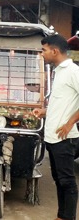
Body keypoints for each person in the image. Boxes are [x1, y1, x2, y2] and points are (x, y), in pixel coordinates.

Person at [33, 35, 79, 220]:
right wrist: (44, 112)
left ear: (55, 51)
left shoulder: (73, 71)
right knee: (59, 180)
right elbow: (63, 102)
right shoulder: (58, 71)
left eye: (44, 50)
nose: (42, 54)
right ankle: (61, 216)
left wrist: (70, 123)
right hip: (52, 138)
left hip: (65, 139)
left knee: (67, 182)